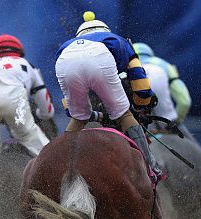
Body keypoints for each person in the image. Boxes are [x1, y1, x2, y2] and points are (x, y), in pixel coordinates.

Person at [55, 12, 163, 182]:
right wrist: (142, 102)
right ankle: (150, 167)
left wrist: (81, 113)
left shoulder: (67, 45)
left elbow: (68, 103)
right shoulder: (117, 40)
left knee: (78, 119)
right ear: (106, 31)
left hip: (64, 61)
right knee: (124, 115)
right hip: (100, 58)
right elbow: (140, 81)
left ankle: (57, 162)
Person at [0, 34, 54, 165]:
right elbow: (47, 110)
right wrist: (41, 114)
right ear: (19, 52)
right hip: (13, 95)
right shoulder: (25, 63)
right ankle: (56, 171)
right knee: (29, 136)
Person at [133, 42, 192, 125]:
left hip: (138, 123)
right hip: (166, 120)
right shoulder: (166, 66)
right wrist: (176, 122)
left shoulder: (127, 66)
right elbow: (185, 102)